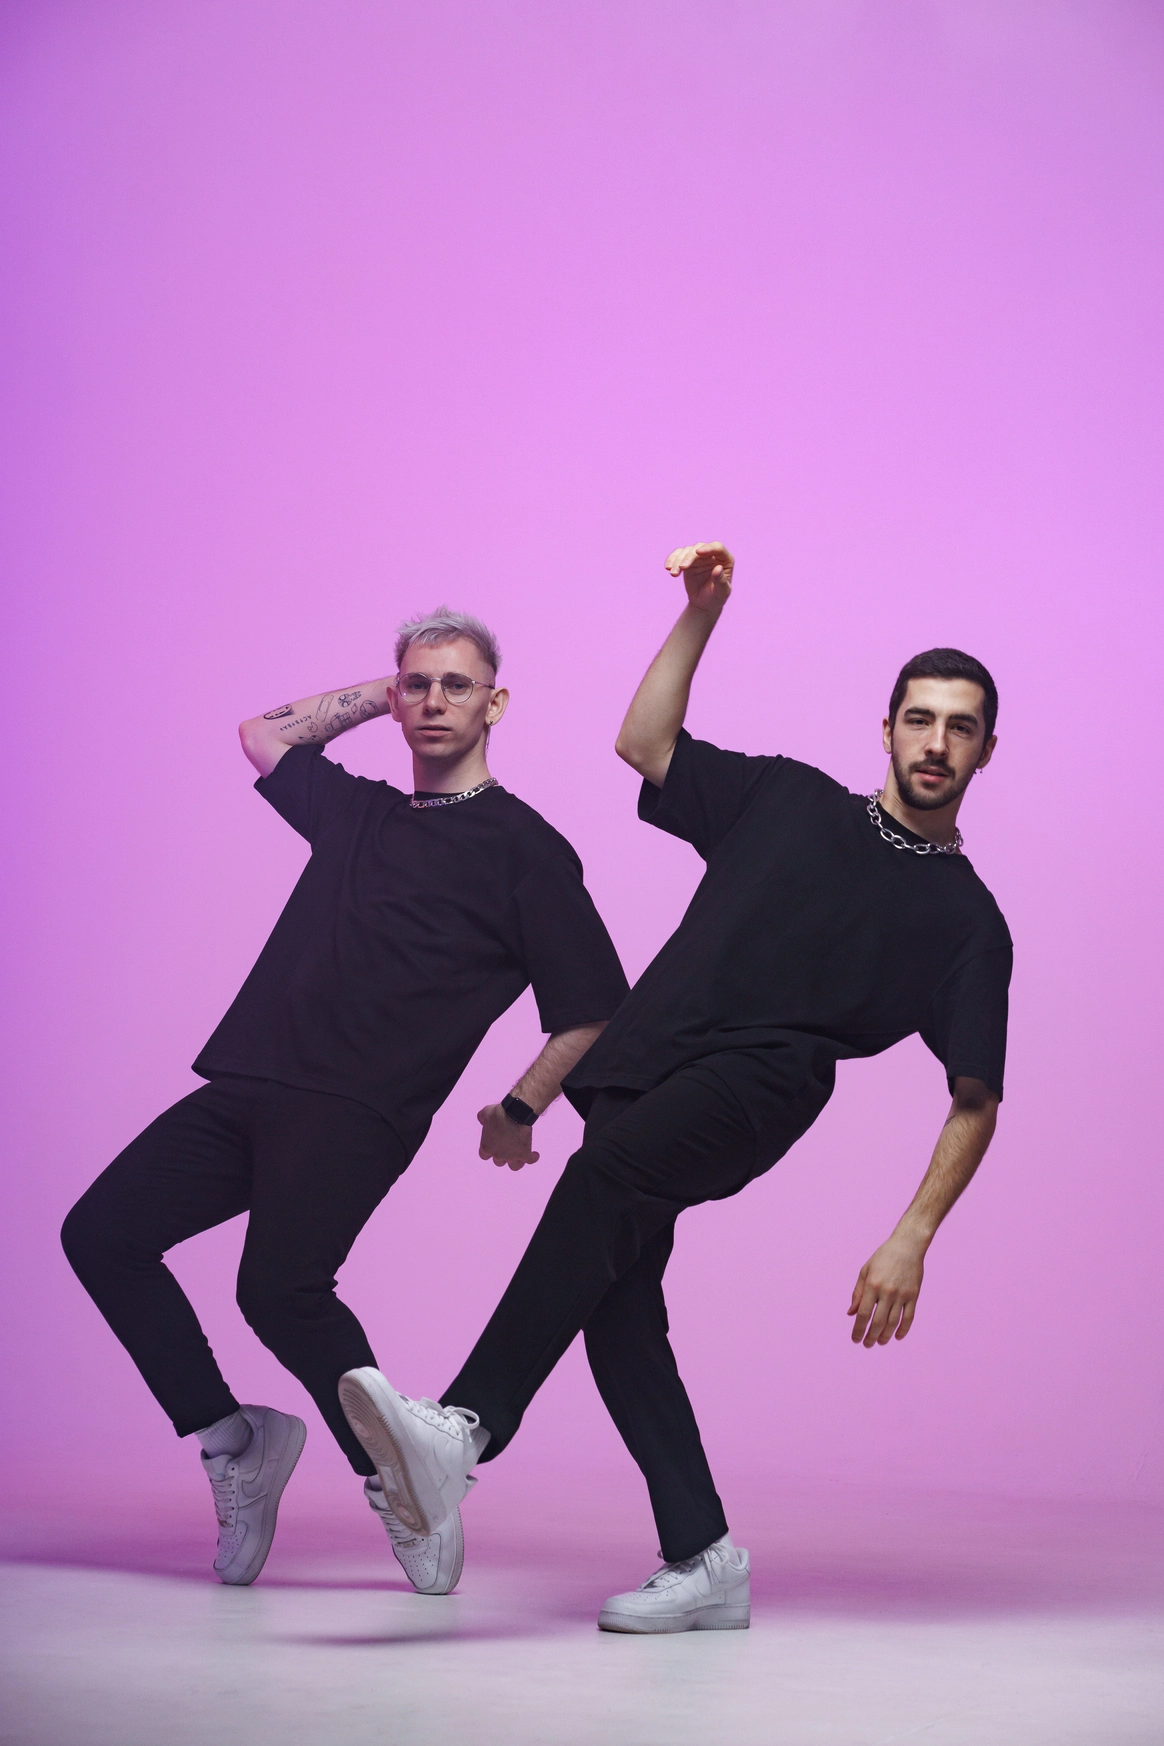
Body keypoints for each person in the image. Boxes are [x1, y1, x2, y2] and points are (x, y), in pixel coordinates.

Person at [335, 544, 1012, 1633]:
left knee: (602, 1185)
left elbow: (975, 1099)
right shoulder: (788, 796)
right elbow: (644, 744)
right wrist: (702, 612)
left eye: (960, 728)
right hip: (648, 1057)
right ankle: (704, 1556)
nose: (936, 743)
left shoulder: (969, 921)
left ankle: (464, 1428)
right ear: (887, 729)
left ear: (985, 749)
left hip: (762, 1081)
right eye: (920, 720)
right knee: (618, 1312)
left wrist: (912, 1235)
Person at [62, 608, 629, 1593]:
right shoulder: (359, 811)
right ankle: (235, 1441)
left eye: (458, 686)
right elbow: (262, 736)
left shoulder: (526, 848)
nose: (434, 702)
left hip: (357, 1105)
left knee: (278, 1292)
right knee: (102, 1234)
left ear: (497, 704)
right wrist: (387, 691)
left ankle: (410, 1494)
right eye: (419, 685)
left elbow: (594, 1011)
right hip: (251, 1077)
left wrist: (520, 1107)